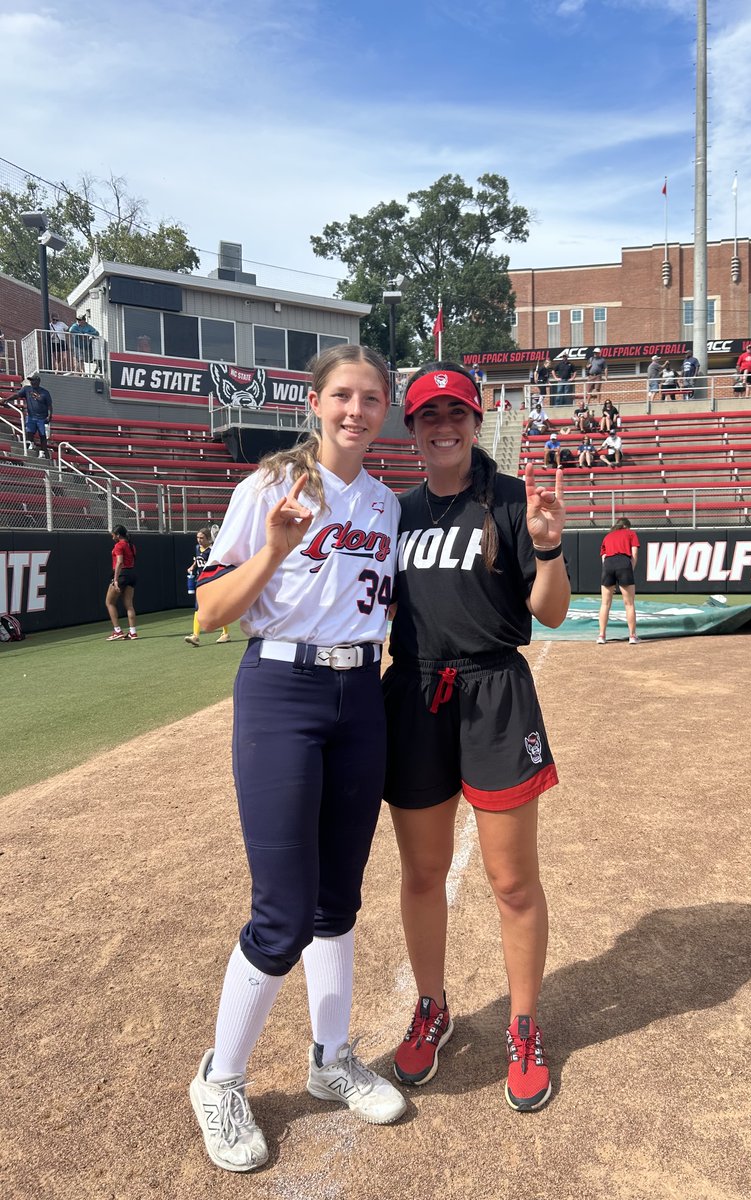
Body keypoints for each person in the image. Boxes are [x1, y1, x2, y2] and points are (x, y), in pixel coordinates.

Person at [187, 345, 405, 1174]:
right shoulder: (270, 486)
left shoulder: (385, 503)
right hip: (282, 692)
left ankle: (330, 1059)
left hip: (361, 698)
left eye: (371, 398)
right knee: (281, 911)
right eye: (342, 395)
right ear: (315, 403)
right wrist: (275, 549)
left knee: (337, 899)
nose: (356, 410)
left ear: (384, 410)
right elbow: (209, 610)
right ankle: (220, 1079)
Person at [383, 360, 569, 1114]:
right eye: (428, 416)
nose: (443, 426)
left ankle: (523, 1026)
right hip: (416, 694)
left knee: (512, 881)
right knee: (423, 874)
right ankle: (432, 1008)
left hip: (495, 695)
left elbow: (551, 613)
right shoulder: (395, 512)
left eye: (455, 413)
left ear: (475, 419)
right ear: (412, 429)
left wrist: (549, 549)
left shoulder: (515, 501)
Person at [184, 526, 231, 646]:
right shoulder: (197, 548)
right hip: (201, 581)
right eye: (198, 537)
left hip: (212, 580)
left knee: (218, 607)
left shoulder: (213, 550)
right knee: (198, 607)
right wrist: (193, 566)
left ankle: (225, 633)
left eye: (202, 538)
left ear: (208, 538)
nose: (199, 540)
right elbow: (197, 559)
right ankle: (195, 636)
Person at [597, 517, 640, 644]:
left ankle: (601, 636)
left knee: (605, 603)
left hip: (608, 564)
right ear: (626, 526)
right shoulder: (631, 533)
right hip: (623, 562)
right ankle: (632, 636)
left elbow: (604, 557)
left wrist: (610, 575)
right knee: (629, 603)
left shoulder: (608, 536)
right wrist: (629, 570)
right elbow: (634, 553)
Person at [105, 525, 138, 641]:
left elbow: (119, 562)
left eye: (113, 535)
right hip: (132, 574)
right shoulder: (131, 545)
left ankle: (117, 631)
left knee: (109, 602)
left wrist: (115, 579)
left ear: (118, 535)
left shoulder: (119, 545)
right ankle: (133, 632)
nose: (112, 537)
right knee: (129, 605)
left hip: (122, 574)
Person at [9, 372, 53, 458]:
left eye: (33, 381)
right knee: (29, 432)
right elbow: (17, 395)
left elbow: (49, 405)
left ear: (38, 382)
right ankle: (30, 445)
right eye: (31, 381)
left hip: (42, 417)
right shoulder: (27, 389)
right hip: (31, 416)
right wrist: (6, 399)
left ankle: (43, 451)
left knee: (42, 435)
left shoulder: (45, 393)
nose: (32, 382)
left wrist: (49, 415)